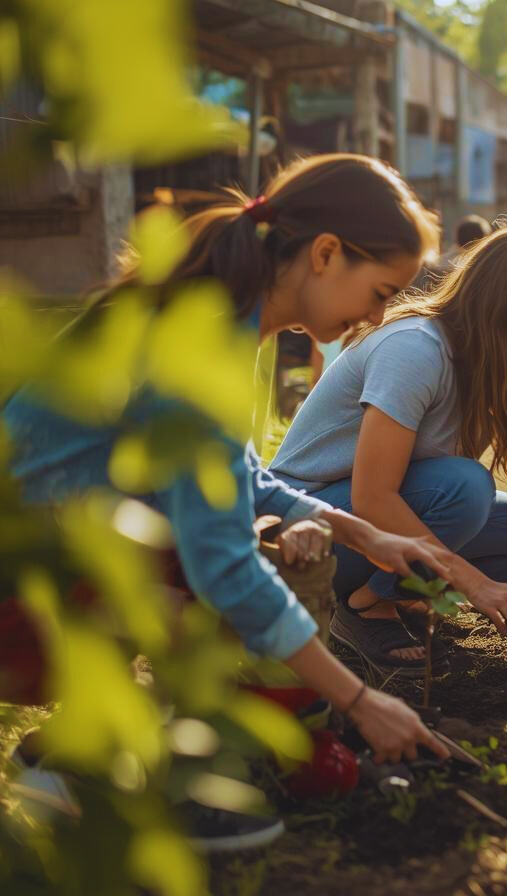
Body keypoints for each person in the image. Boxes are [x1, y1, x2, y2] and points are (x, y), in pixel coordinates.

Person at [4, 154, 458, 842]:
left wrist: (369, 536)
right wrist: (363, 703)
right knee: (223, 567)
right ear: (326, 254)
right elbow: (220, 557)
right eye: (380, 291)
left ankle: (67, 760)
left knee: (223, 547)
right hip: (21, 602)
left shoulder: (225, 315)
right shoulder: (204, 337)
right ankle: (169, 781)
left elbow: (236, 475)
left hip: (49, 567)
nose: (379, 315)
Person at [269, 226, 507, 675]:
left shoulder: (506, 362)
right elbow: (373, 497)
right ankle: (367, 607)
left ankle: (400, 593)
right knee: (465, 487)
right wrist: (475, 585)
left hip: (384, 518)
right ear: (495, 308)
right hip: (305, 529)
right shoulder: (416, 349)